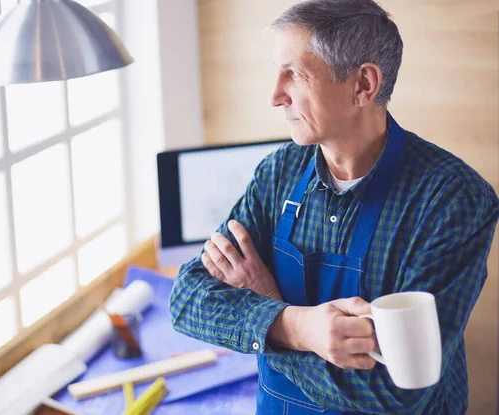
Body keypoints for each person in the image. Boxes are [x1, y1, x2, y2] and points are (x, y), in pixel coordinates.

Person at [168, 0, 499, 414]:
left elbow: (396, 394)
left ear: (363, 84)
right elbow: (187, 299)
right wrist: (295, 325)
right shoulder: (279, 173)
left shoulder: (451, 201)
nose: (274, 96)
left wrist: (267, 309)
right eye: (277, 71)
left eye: (296, 75)